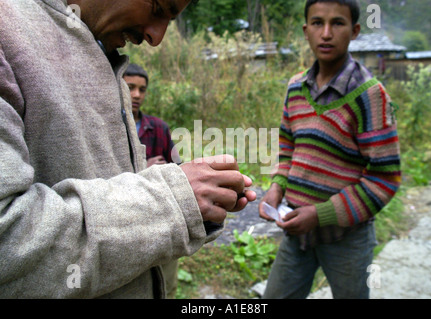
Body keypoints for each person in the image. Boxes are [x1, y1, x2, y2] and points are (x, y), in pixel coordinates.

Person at [0, 0, 256, 298]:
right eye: (159, 9)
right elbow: (9, 244)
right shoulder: (9, 30)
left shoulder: (102, 51)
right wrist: (172, 200)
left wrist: (197, 200)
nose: (156, 38)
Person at [259, 0, 401, 299]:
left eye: (337, 23)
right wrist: (278, 186)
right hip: (296, 232)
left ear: (355, 31)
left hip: (347, 239)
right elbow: (288, 147)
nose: (326, 33)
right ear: (305, 30)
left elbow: (385, 179)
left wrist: (320, 214)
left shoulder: (369, 95)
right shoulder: (296, 87)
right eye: (317, 23)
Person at [124, 63, 180, 298]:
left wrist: (167, 171)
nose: (137, 95)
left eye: (142, 89)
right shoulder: (106, 127)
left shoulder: (159, 128)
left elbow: (178, 169)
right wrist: (142, 169)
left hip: (160, 219)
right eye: (130, 87)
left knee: (166, 285)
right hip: (125, 222)